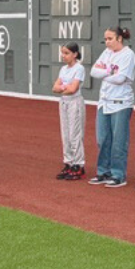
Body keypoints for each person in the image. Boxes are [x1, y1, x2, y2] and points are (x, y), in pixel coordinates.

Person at [88, 27, 135, 188]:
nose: (107, 42)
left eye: (110, 38)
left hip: (121, 102)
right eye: (106, 39)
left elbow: (121, 78)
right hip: (104, 101)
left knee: (119, 141)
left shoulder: (128, 54)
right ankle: (103, 172)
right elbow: (94, 71)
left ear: (119, 38)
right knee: (102, 138)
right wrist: (110, 72)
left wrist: (105, 73)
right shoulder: (107, 53)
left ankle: (118, 174)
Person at [52, 42, 87, 180]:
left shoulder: (79, 68)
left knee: (75, 135)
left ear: (75, 54)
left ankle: (78, 165)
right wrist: (64, 87)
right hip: (64, 102)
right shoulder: (63, 69)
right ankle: (68, 163)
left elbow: (73, 89)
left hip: (75, 103)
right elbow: (54, 87)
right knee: (65, 134)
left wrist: (63, 87)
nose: (63, 56)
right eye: (63, 53)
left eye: (66, 53)